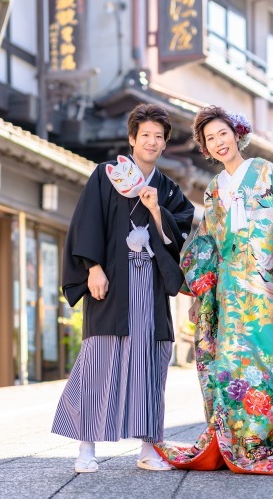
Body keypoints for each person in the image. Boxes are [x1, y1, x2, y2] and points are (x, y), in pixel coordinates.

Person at [155, 106, 273, 476]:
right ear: (205, 146)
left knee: (271, 363)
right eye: (210, 138)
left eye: (223, 134)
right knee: (230, 363)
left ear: (237, 133)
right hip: (231, 292)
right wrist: (198, 287)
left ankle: (262, 440)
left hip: (265, 287)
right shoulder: (215, 190)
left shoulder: (265, 171)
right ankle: (233, 437)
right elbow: (210, 243)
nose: (219, 143)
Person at [53, 103, 195, 473]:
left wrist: (156, 211)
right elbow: (86, 221)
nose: (151, 141)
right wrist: (93, 268)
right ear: (132, 139)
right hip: (112, 285)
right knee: (101, 362)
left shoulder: (166, 188)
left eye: (158, 137)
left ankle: (149, 448)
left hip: (148, 285)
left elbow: (180, 233)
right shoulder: (106, 175)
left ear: (164, 145)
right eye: (145, 135)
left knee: (150, 365)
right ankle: (86, 447)